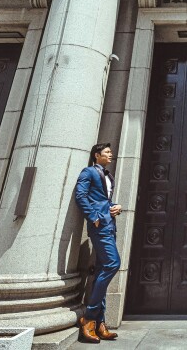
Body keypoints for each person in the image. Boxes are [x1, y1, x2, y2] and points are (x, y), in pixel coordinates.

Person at [74, 142, 122, 343]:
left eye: (110, 152)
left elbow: (103, 200)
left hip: (110, 225)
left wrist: (115, 207)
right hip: (99, 226)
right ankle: (89, 317)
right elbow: (80, 195)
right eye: (107, 152)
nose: (111, 154)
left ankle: (100, 323)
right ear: (96, 155)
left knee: (103, 269)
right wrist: (93, 215)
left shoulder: (108, 175)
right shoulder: (89, 172)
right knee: (113, 263)